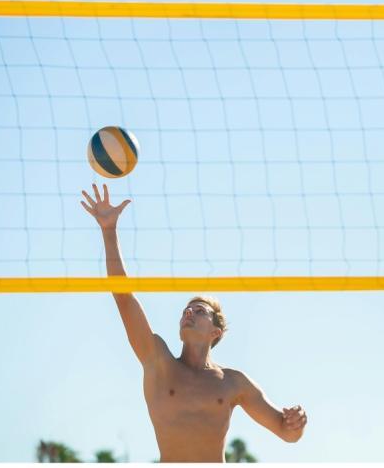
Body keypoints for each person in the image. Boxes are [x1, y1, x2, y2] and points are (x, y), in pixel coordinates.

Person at [80, 183, 307, 462]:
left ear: (216, 331)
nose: (188, 313)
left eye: (198, 311)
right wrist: (109, 230)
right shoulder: (158, 362)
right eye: (186, 310)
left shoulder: (234, 382)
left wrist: (295, 424)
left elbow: (285, 432)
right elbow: (124, 299)